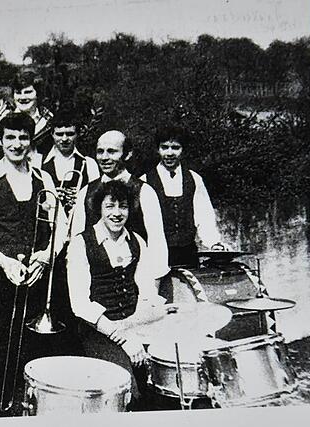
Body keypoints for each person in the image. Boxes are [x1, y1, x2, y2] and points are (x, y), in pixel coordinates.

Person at [0, 112, 67, 418]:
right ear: (1, 141)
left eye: (23, 137)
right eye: (10, 137)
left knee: (36, 352)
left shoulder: (44, 178)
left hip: (37, 281)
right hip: (0, 284)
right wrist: (3, 262)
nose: (17, 144)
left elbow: (61, 226)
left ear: (31, 141)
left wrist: (44, 257)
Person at [66, 180, 166, 407]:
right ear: (99, 208)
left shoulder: (137, 242)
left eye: (123, 206)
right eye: (110, 206)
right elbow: (80, 304)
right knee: (127, 387)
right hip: (99, 330)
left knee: (164, 374)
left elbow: (146, 291)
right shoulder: (81, 244)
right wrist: (123, 337)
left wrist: (135, 327)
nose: (117, 213)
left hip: (133, 325)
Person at [69, 130, 170, 284]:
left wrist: (153, 292)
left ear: (127, 154)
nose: (104, 158)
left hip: (136, 284)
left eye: (112, 152)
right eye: (100, 152)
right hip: (97, 288)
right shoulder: (85, 192)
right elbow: (76, 245)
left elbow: (157, 245)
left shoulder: (145, 192)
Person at [140, 126, 227, 267]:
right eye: (164, 147)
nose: (169, 153)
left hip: (188, 255)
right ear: (157, 149)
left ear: (183, 150)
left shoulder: (194, 179)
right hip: (157, 256)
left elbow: (204, 216)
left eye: (175, 148)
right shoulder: (145, 181)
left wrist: (214, 243)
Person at [40, 109, 100, 213]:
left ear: (77, 134)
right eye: (59, 134)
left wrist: (80, 199)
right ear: (52, 134)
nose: (64, 139)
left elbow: (97, 201)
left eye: (70, 134)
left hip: (79, 224)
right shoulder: (39, 162)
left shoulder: (89, 164)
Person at [11, 72, 53, 154]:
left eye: (28, 92)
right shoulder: (5, 120)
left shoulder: (49, 121)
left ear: (38, 94)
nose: (22, 97)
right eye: (18, 93)